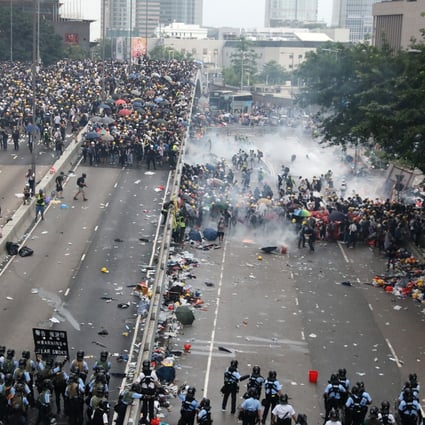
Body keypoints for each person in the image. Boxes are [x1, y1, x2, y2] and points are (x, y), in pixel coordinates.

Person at [135, 360, 160, 424]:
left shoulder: (141, 374)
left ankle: (144, 418)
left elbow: (137, 382)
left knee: (145, 405)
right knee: (151, 406)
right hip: (151, 392)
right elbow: (156, 382)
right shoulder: (153, 373)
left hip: (144, 392)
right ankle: (151, 419)